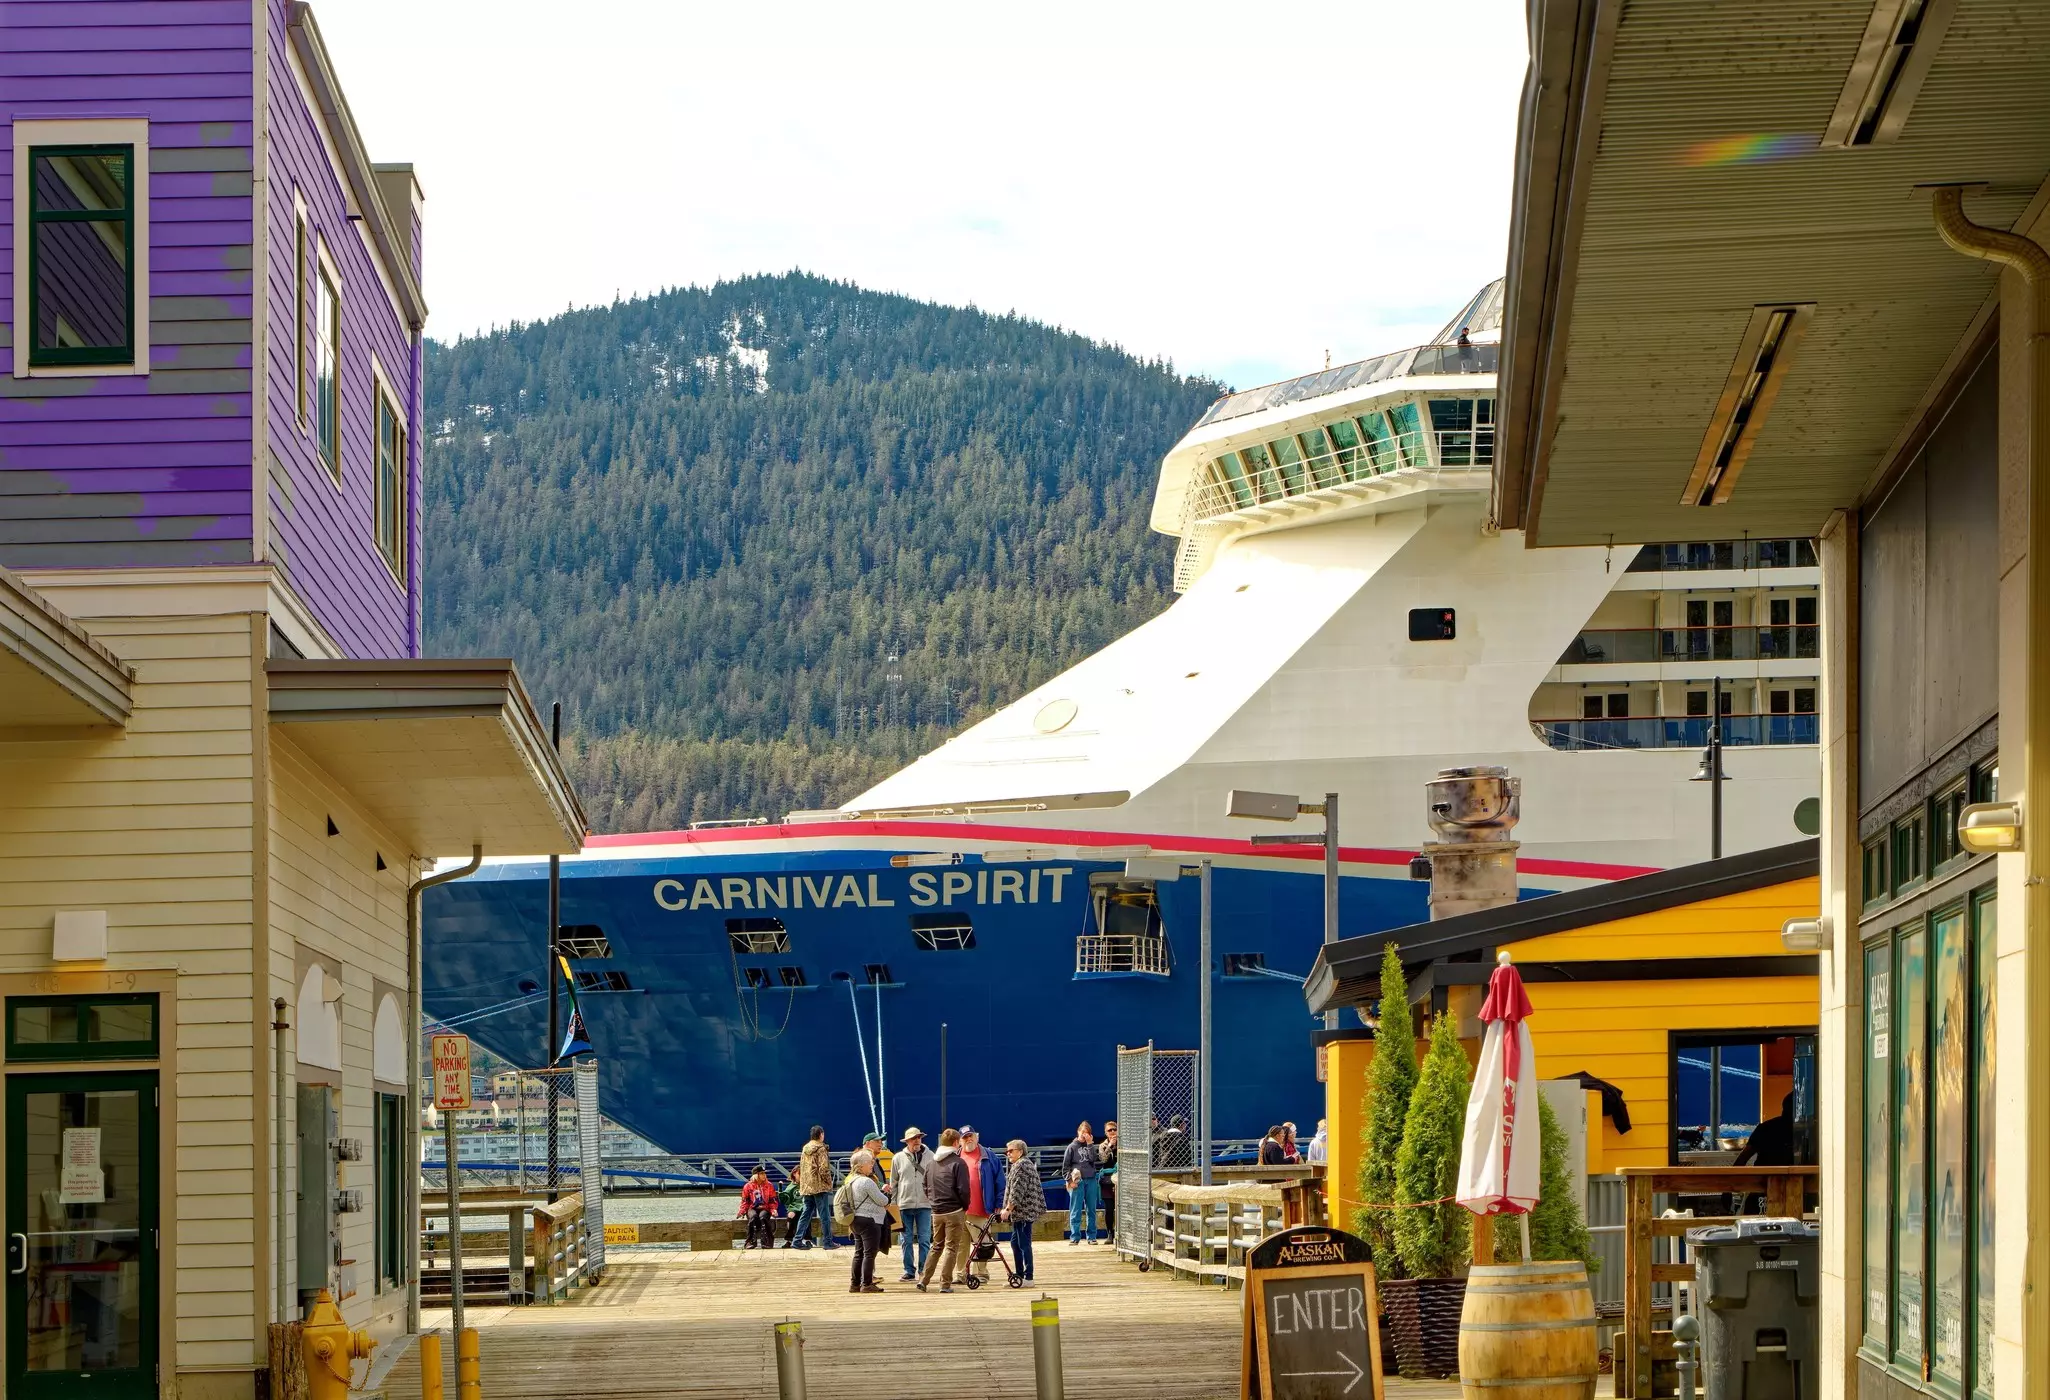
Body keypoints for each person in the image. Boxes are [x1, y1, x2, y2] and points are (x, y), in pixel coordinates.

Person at [918, 1128, 972, 1293]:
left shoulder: (931, 1163)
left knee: (936, 1246)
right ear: (956, 1143)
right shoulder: (958, 1162)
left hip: (936, 1212)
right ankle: (945, 1284)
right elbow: (964, 1189)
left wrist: (934, 1203)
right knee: (951, 1248)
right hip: (954, 1211)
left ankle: (923, 1280)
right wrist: (965, 1206)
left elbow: (925, 1186)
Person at [958, 1125, 1003, 1283]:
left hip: (982, 1208)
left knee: (982, 1244)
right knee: (960, 1244)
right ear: (960, 1141)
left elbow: (1000, 1181)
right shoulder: (956, 1156)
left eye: (971, 1136)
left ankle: (981, 1274)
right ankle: (961, 1274)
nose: (968, 1139)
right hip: (960, 1210)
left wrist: (998, 1203)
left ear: (976, 1137)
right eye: (965, 1137)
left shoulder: (989, 1156)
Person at [846, 1149, 892, 1293]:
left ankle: (854, 1284)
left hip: (856, 1220)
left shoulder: (851, 1180)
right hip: (870, 1221)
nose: (871, 1165)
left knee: (859, 1252)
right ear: (860, 1166)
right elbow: (882, 1200)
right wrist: (886, 1195)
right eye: (869, 1163)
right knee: (869, 1253)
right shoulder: (867, 1182)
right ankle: (867, 1284)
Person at [1000, 1138, 1046, 1283]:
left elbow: (1017, 1190)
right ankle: (1018, 1275)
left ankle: (1028, 1277)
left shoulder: (1022, 1165)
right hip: (1019, 1214)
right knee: (1015, 1243)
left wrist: (1008, 1209)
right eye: (1007, 1151)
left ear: (1020, 1152)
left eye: (1011, 1151)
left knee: (1024, 1244)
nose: (1008, 1153)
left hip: (1024, 1212)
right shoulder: (1020, 1164)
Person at [893, 1126, 934, 1281]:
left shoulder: (931, 1156)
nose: (917, 1140)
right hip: (904, 1203)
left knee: (925, 1239)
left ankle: (924, 1270)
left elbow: (934, 1180)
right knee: (906, 1239)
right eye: (913, 1138)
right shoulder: (898, 1158)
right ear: (907, 1141)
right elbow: (894, 1182)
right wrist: (893, 1204)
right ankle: (909, 1271)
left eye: (919, 1137)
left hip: (925, 1203)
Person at [793, 1124, 837, 1249]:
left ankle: (796, 1240)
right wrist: (829, 1183)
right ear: (821, 1134)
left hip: (807, 1186)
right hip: (819, 1186)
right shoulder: (821, 1148)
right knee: (825, 1215)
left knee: (806, 1214)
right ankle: (828, 1242)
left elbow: (802, 1167)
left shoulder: (805, 1148)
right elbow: (824, 1169)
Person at [1063, 1121, 1101, 1244]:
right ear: (1078, 1132)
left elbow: (1093, 1159)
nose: (1084, 1135)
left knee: (1091, 1209)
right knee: (1075, 1209)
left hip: (1091, 1179)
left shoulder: (1090, 1145)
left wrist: (1090, 1144)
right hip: (1077, 1181)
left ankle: (1092, 1236)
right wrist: (1069, 1181)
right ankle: (1075, 1236)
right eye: (1083, 1132)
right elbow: (1065, 1166)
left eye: (1087, 1133)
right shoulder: (1071, 1147)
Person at [1735, 1094, 1798, 1167]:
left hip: (1762, 1176)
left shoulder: (1765, 1127)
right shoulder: (1804, 1131)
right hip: (1793, 1176)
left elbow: (1742, 1159)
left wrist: (1734, 1178)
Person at [738, 1164, 781, 1249]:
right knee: (753, 1217)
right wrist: (742, 1211)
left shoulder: (769, 1185)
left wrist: (773, 1210)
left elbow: (772, 1200)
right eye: (761, 1173)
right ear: (756, 1175)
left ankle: (767, 1242)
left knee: (763, 1217)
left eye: (764, 1173)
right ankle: (750, 1242)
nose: (764, 1175)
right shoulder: (748, 1186)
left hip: (765, 1207)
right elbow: (745, 1201)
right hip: (752, 1207)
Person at [1098, 1122, 1120, 1238]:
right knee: (1109, 1208)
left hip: (1121, 1179)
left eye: (1114, 1129)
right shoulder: (1103, 1145)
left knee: (1122, 1207)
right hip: (1107, 1180)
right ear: (1106, 1133)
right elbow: (1103, 1159)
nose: (1112, 1132)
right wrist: (1110, 1146)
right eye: (1109, 1130)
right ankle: (1110, 1233)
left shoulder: (1123, 1144)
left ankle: (1121, 1232)